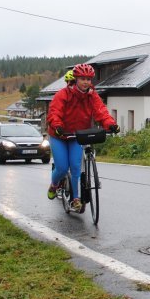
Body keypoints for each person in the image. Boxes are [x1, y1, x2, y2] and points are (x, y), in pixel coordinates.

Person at [46, 63, 119, 212]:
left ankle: (76, 199)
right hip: (59, 135)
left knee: (75, 167)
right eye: (82, 78)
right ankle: (54, 184)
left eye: (88, 79)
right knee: (61, 167)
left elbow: (101, 112)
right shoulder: (63, 94)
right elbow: (54, 112)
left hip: (75, 135)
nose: (86, 82)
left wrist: (110, 124)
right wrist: (57, 126)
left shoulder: (92, 95)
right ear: (76, 79)